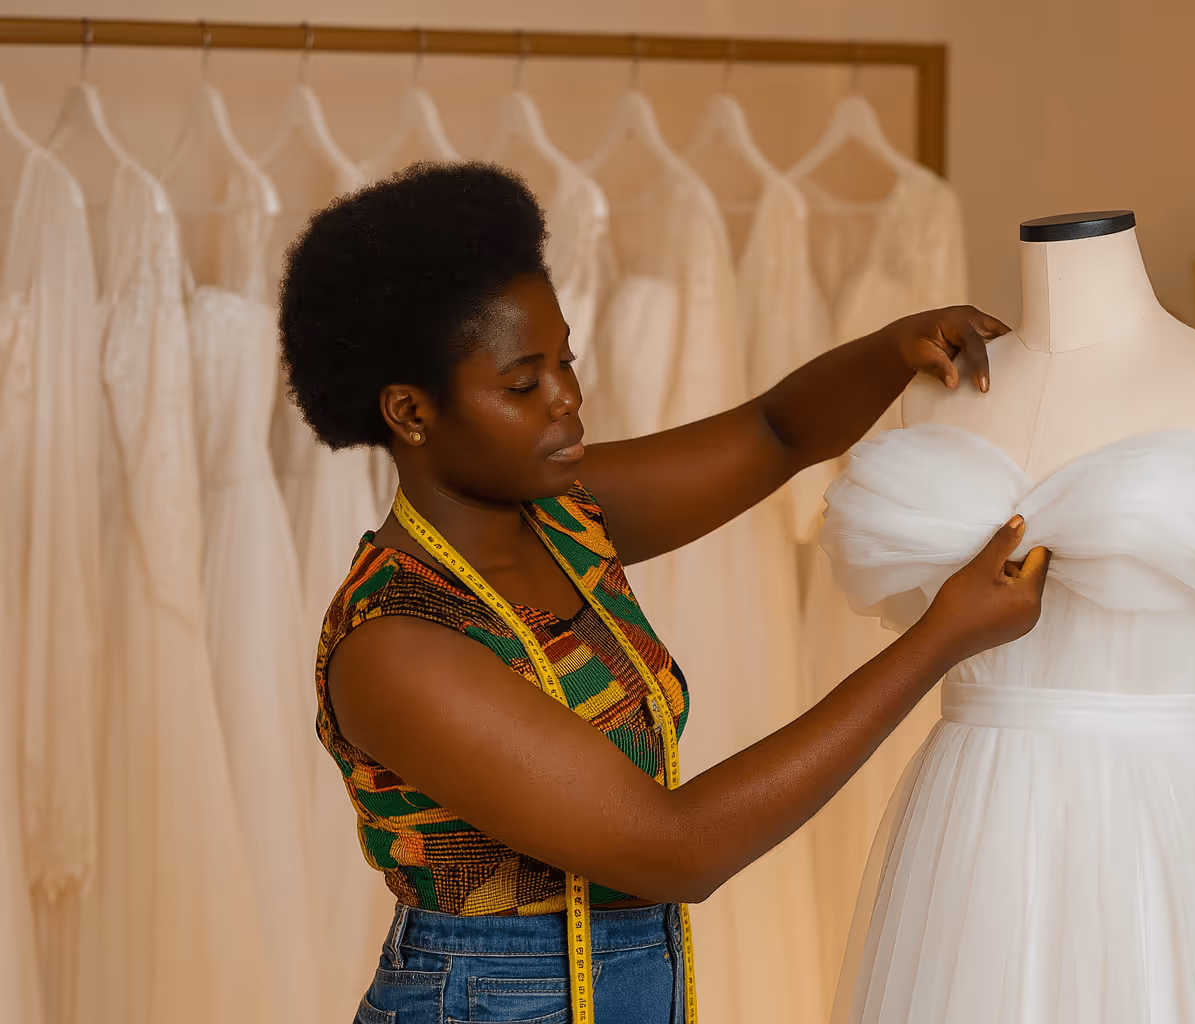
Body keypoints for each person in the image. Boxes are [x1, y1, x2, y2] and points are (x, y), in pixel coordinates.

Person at [279, 161, 1050, 1024]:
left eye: (565, 361)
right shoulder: (397, 645)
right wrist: (937, 641)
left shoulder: (565, 520)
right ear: (410, 414)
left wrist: (891, 350)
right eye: (523, 384)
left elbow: (776, 431)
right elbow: (676, 851)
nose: (568, 398)